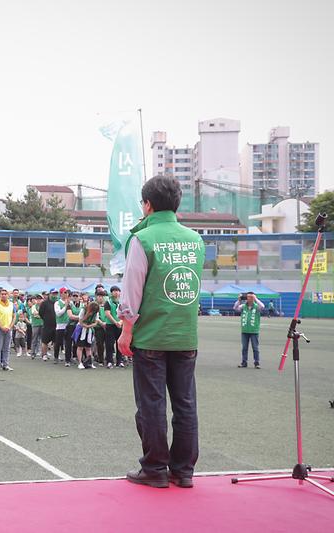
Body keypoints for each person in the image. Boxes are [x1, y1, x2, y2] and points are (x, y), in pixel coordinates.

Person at [118, 175, 205, 489]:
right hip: (185, 335)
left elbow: (132, 289)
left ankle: (155, 469)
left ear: (147, 204)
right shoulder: (195, 240)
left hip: (151, 336)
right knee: (186, 404)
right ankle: (183, 471)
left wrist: (126, 330)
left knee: (152, 404)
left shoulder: (143, 239)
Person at [234, 292, 264, 369]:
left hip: (254, 331)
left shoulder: (256, 307)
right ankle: (244, 362)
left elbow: (262, 306)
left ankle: (256, 363)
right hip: (245, 330)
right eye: (247, 297)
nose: (248, 298)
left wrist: (256, 299)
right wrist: (239, 300)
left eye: (250, 297)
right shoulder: (243, 306)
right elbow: (235, 308)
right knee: (244, 348)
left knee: (255, 348)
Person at [0, 288, 15, 371]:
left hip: (9, 329)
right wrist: (1, 327)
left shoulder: (12, 305)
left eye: (5, 294)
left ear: (8, 295)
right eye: (2, 294)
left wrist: (10, 326)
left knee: (7, 348)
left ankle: (5, 364)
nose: (4, 295)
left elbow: (14, 316)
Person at [74, 301, 99, 369]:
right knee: (80, 347)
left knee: (88, 347)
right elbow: (80, 321)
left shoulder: (96, 312)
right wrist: (87, 315)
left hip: (89, 330)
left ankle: (89, 362)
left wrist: (89, 326)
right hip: (81, 329)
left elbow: (96, 322)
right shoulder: (83, 310)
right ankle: (80, 363)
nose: (94, 312)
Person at [104, 286, 124, 368]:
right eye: (114, 291)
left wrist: (120, 322)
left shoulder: (122, 302)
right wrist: (116, 322)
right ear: (111, 292)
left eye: (118, 291)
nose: (116, 292)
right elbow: (107, 314)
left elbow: (125, 313)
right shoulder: (108, 302)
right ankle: (110, 361)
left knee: (120, 344)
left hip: (120, 325)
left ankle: (119, 361)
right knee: (109, 344)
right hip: (110, 325)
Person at [38, 289, 58, 360]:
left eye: (56, 293)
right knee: (45, 341)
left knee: (56, 341)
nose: (54, 295)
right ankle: (44, 355)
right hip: (47, 325)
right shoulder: (44, 303)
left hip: (57, 325)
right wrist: (46, 319)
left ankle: (56, 355)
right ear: (50, 294)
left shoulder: (58, 302)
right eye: (53, 293)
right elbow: (41, 313)